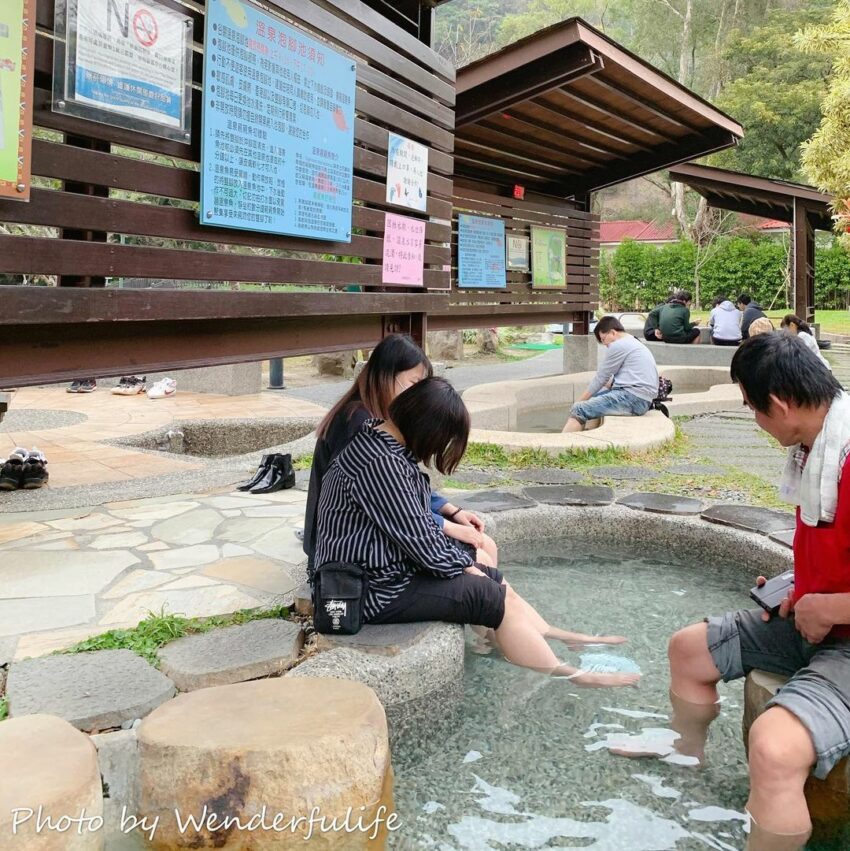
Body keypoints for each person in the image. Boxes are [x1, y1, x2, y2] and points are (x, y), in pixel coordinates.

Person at [314, 377, 640, 687]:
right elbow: (423, 546)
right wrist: (468, 563)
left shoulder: (378, 442)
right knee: (487, 594)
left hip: (379, 571)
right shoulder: (380, 464)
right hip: (369, 591)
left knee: (491, 578)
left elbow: (413, 527)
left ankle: (553, 635)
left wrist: (470, 562)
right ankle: (568, 674)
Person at [659, 334, 850, 851]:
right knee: (689, 648)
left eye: (751, 406)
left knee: (773, 747)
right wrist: (800, 590)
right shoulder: (816, 449)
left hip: (842, 636)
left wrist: (829, 605)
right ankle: (685, 762)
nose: (754, 420)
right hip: (818, 619)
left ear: (782, 403)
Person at [303, 334, 497, 573]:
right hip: (351, 563)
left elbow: (399, 487)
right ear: (385, 376)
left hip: (369, 542)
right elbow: (389, 501)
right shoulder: (359, 426)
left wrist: (450, 510)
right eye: (414, 384)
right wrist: (448, 526)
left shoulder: (374, 417)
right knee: (481, 556)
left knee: (484, 550)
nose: (419, 394)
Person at [563, 316, 658, 433]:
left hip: (632, 398)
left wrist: (579, 401)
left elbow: (601, 378)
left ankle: (563, 446)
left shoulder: (618, 345)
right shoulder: (633, 341)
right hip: (641, 399)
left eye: (603, 339)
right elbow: (609, 379)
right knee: (594, 401)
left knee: (578, 409)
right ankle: (588, 437)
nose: (604, 344)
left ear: (613, 332)